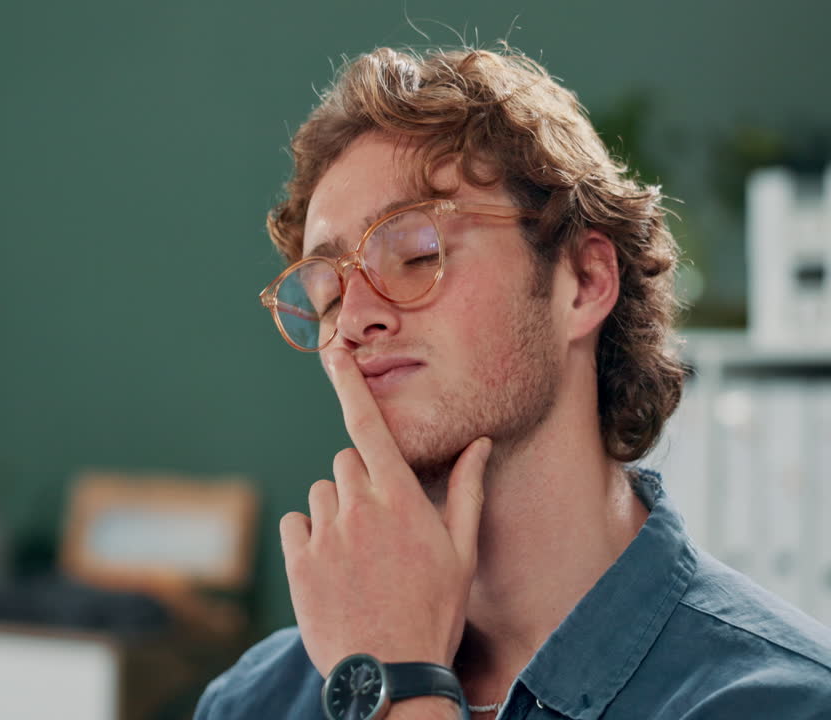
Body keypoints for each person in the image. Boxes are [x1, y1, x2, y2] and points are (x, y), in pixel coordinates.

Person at [195, 45, 831, 720]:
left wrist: (402, 690)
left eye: (415, 253)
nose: (351, 320)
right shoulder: (250, 701)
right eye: (325, 292)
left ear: (584, 282)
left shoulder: (780, 702)